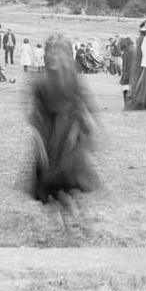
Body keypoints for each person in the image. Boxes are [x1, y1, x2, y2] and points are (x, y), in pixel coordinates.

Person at [25, 35, 101, 240]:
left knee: (70, 182)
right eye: (51, 53)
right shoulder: (39, 83)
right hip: (49, 140)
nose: (53, 58)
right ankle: (63, 224)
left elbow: (86, 105)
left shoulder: (73, 80)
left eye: (58, 53)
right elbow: (33, 115)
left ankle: (78, 222)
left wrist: (90, 130)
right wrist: (38, 140)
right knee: (49, 187)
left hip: (69, 138)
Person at [117, 36, 135, 109]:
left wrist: (125, 77)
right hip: (129, 75)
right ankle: (128, 107)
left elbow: (129, 66)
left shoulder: (129, 51)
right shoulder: (130, 50)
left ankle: (127, 107)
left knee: (127, 91)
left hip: (129, 75)